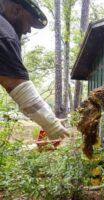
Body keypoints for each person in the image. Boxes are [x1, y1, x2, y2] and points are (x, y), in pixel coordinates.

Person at [0, 0, 69, 140]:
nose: (28, 30)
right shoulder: (4, 33)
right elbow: (19, 88)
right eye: (29, 23)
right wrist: (52, 125)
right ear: (16, 10)